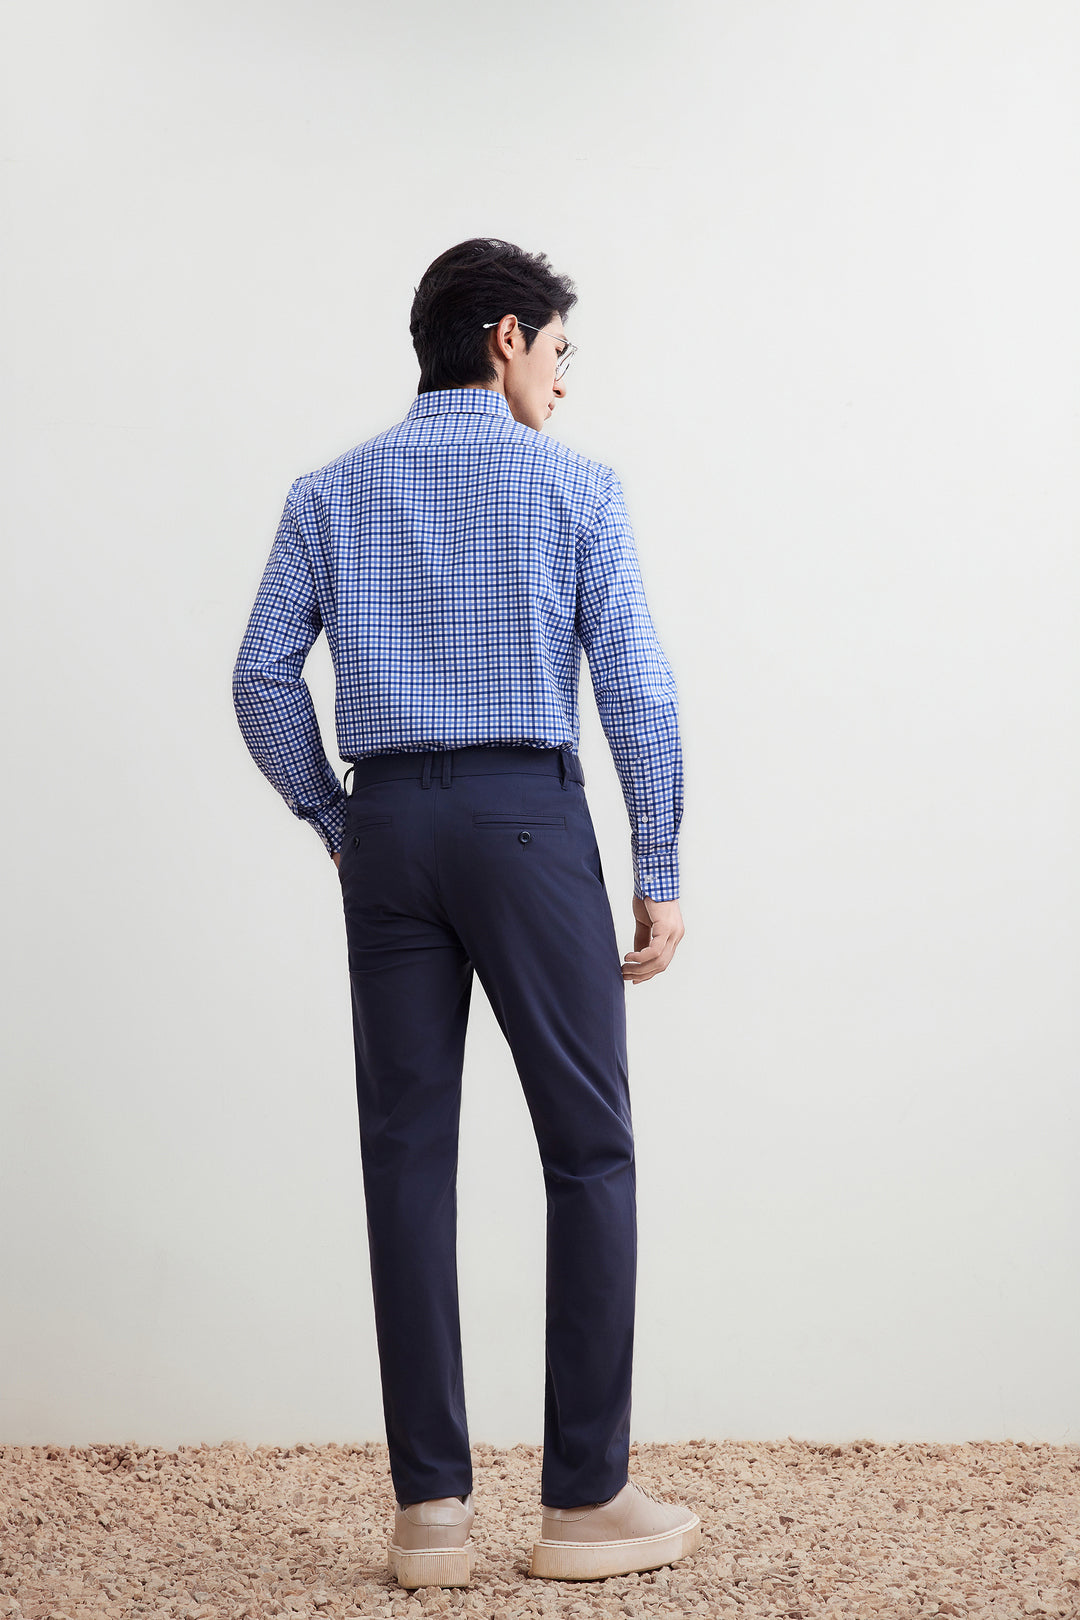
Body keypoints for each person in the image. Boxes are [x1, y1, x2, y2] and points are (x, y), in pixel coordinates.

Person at [232, 237, 699, 1589]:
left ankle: (429, 1514)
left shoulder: (329, 491)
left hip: (389, 825)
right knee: (589, 1151)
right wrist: (659, 864)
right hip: (525, 824)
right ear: (505, 337)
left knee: (405, 1154)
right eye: (559, 349)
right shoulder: (577, 489)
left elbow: (260, 675)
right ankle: (583, 1499)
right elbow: (640, 688)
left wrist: (339, 822)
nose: (564, 378)